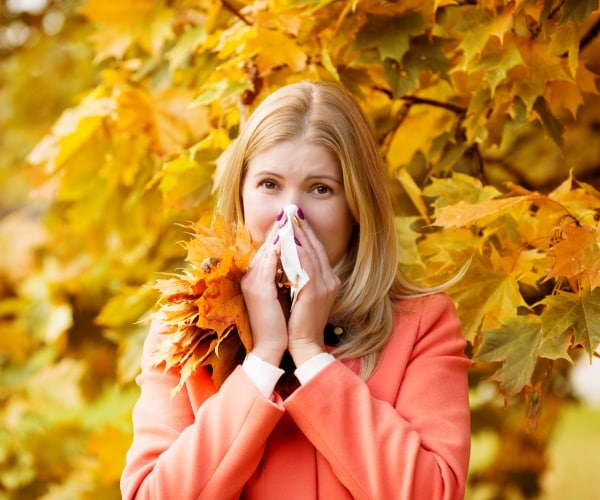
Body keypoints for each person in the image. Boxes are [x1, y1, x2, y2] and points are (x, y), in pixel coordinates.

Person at [120, 81, 471, 499]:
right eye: (270, 184)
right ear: (241, 194)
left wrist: (309, 352)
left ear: (357, 207)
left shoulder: (421, 325)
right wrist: (263, 359)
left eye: (321, 188)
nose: (291, 213)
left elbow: (432, 492)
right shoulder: (184, 327)